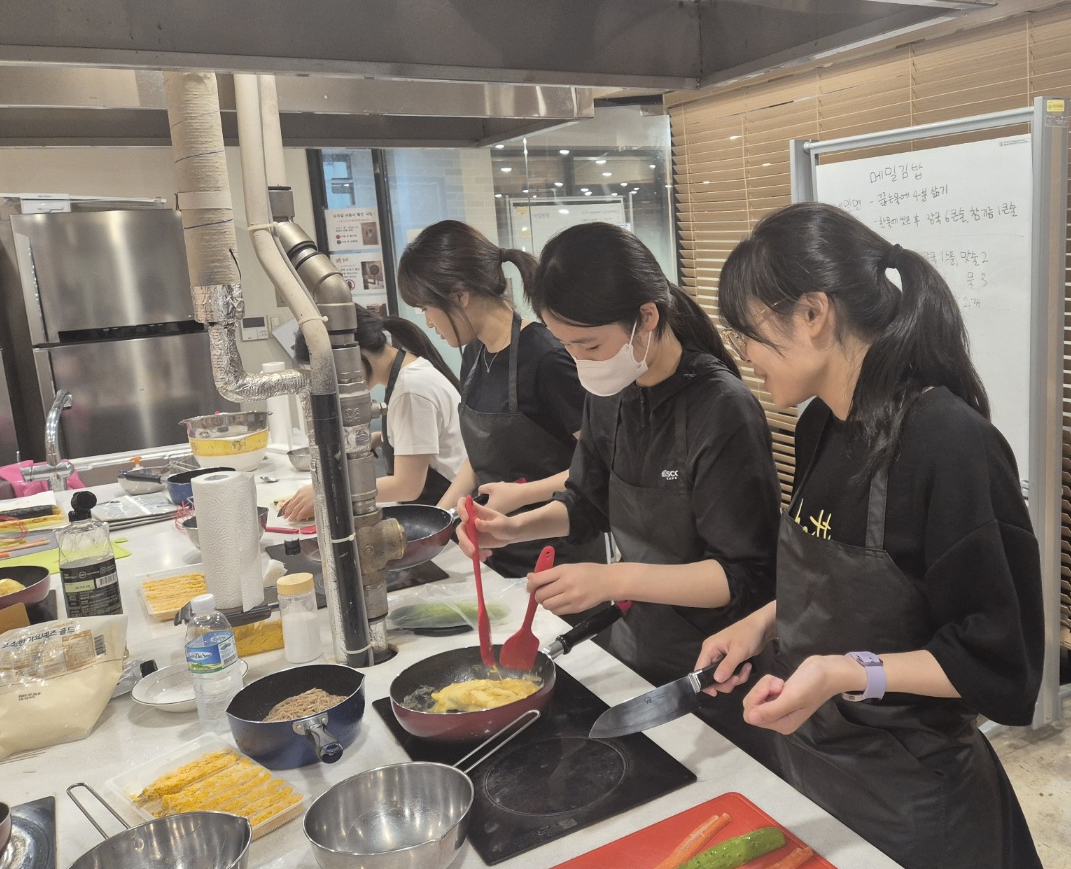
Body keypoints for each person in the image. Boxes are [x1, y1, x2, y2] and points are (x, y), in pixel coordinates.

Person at [696, 202, 1044, 869]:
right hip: (813, 764)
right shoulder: (820, 425)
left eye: (747, 333)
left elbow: (998, 663)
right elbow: (834, 577)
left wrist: (843, 672)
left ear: (813, 313)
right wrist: (762, 624)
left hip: (912, 795)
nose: (745, 357)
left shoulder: (949, 444)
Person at [460, 222, 780, 757]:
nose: (580, 360)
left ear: (646, 318)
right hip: (635, 641)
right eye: (567, 345)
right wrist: (513, 528)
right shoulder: (610, 389)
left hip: (715, 664)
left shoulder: (722, 410)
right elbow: (587, 503)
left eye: (589, 344)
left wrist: (612, 577)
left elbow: (743, 575)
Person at [397, 219, 603, 578]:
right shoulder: (474, 354)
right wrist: (437, 521)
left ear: (460, 296)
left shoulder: (546, 358)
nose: (428, 322)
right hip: (498, 553)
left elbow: (601, 465)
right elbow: (483, 457)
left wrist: (523, 494)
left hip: (559, 556)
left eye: (426, 307)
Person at [279, 306, 465, 521]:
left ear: (351, 354)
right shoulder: (410, 372)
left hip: (449, 520)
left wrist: (328, 493)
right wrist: (379, 439)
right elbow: (429, 442)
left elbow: (407, 486)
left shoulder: (411, 390)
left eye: (330, 372)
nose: (334, 384)